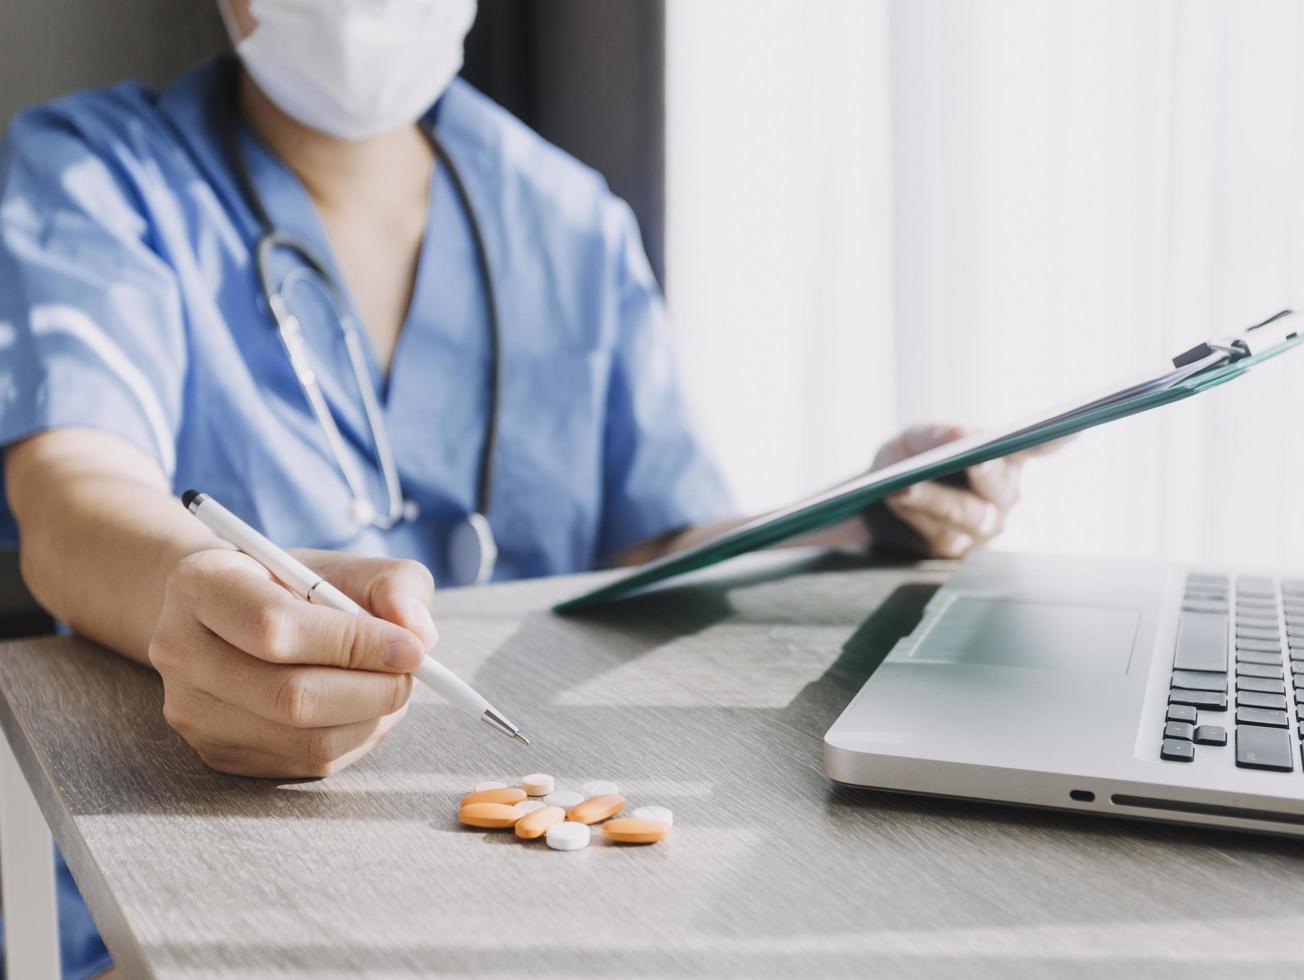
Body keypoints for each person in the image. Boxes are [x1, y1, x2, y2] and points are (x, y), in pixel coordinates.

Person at [0, 2, 1044, 975]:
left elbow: (658, 543)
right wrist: (195, 593)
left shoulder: (565, 216)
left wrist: (869, 505)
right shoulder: (93, 176)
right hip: (195, 887)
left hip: (533, 897)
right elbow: (71, 491)